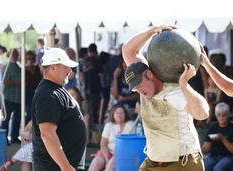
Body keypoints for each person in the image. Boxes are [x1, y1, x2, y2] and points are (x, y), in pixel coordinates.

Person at [122, 25, 209, 170]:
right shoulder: (140, 76)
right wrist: (151, 31)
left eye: (140, 85)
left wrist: (184, 85)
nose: (139, 90)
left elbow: (203, 114)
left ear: (149, 74)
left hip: (183, 160)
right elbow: (128, 50)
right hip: (155, 160)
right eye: (135, 88)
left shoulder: (175, 91)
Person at [32, 48, 86, 170]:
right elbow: (47, 134)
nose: (70, 70)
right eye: (66, 66)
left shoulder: (54, 90)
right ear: (53, 67)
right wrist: (65, 166)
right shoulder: (48, 94)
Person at [88, 105, 136, 171]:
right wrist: (107, 159)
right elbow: (103, 145)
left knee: (111, 165)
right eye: (117, 113)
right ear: (113, 114)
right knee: (95, 163)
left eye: (122, 113)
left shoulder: (130, 124)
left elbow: (132, 144)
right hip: (107, 152)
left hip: (122, 153)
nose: (119, 115)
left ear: (125, 115)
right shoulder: (109, 125)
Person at [201, 102, 233, 171]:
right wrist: (199, 150)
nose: (221, 117)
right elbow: (206, 147)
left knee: (218, 169)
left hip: (229, 156)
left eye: (224, 114)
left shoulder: (231, 128)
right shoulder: (213, 128)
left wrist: (222, 138)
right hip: (213, 156)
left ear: (228, 115)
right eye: (218, 114)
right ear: (216, 116)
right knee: (204, 167)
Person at [1, 48, 21, 145]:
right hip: (8, 96)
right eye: (13, 55)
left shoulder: (18, 67)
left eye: (16, 55)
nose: (15, 57)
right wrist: (18, 83)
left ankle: (15, 137)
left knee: (17, 119)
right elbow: (5, 81)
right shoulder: (6, 66)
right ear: (9, 55)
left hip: (18, 97)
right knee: (6, 119)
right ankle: (4, 139)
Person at [81, 43, 104, 123]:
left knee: (86, 108)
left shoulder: (84, 61)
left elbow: (81, 76)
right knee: (94, 110)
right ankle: (93, 127)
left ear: (88, 50)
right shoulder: (97, 61)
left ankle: (87, 125)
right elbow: (102, 76)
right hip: (95, 87)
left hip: (86, 87)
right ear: (96, 51)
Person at [25, 50, 41, 126]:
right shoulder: (24, 70)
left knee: (37, 112)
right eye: (28, 59)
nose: (30, 60)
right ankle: (26, 128)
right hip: (28, 93)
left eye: (32, 58)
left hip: (37, 92)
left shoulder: (37, 68)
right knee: (29, 112)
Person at [99, 51, 112, 124]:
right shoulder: (106, 67)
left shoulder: (100, 66)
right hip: (105, 89)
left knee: (100, 109)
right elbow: (108, 79)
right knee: (103, 109)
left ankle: (99, 122)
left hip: (100, 88)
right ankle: (101, 124)